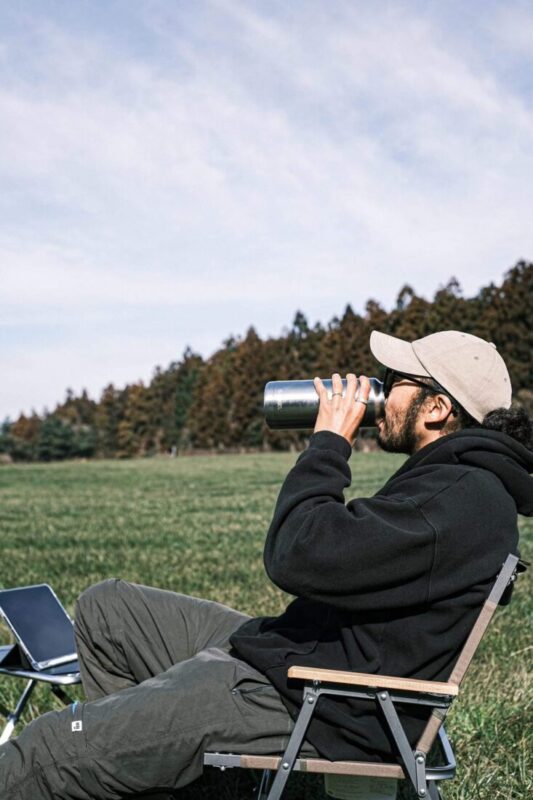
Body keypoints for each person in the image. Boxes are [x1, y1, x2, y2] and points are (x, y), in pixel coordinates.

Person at [1, 330, 532, 800]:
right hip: (298, 654)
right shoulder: (455, 483)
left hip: (316, 697)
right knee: (109, 610)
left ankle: (108, 745)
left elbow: (297, 553)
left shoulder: (459, 497)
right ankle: (135, 752)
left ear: (436, 407)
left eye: (394, 381)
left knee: (49, 747)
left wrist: (329, 443)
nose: (379, 390)